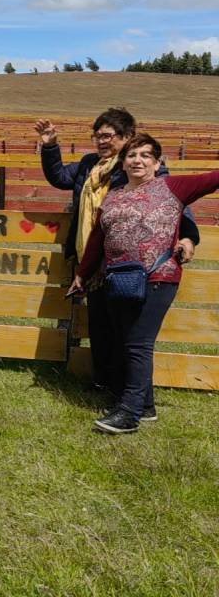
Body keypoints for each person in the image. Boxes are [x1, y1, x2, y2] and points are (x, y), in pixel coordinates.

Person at [35, 109, 199, 393]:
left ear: (126, 138)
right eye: (97, 136)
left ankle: (128, 390)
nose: (101, 142)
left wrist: (189, 237)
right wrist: (50, 145)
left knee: (125, 329)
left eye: (108, 136)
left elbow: (175, 205)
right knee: (99, 324)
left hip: (128, 263)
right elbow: (60, 177)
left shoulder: (140, 168)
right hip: (92, 258)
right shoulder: (89, 164)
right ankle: (104, 381)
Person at [68, 134, 219, 434]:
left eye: (146, 155)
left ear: (157, 162)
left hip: (158, 277)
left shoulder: (173, 187)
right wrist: (82, 275)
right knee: (128, 343)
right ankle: (145, 405)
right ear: (122, 163)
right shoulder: (113, 197)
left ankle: (129, 413)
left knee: (138, 343)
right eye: (132, 155)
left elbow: (214, 179)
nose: (138, 160)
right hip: (120, 280)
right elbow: (97, 242)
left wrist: (189, 239)